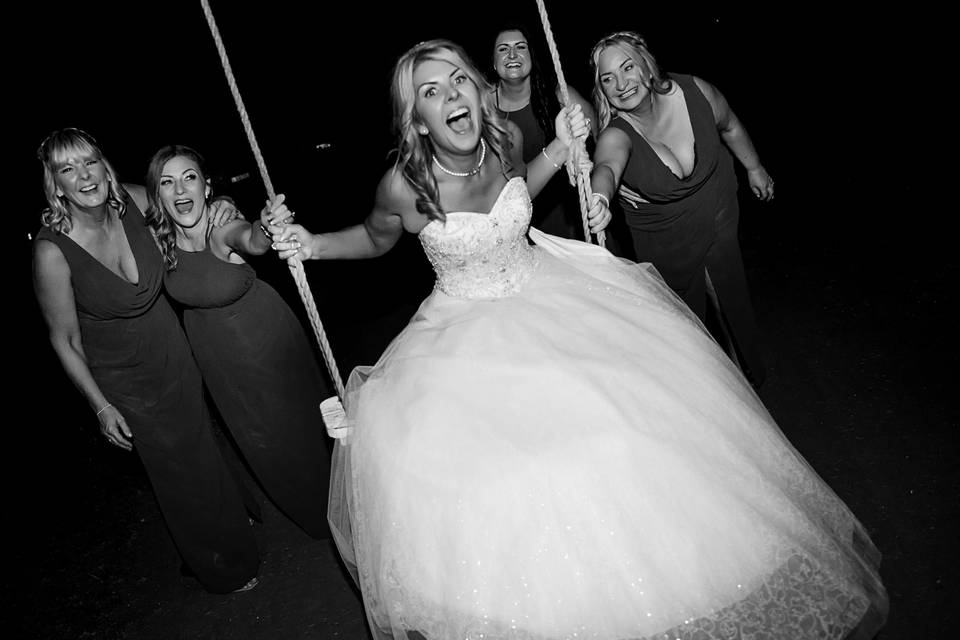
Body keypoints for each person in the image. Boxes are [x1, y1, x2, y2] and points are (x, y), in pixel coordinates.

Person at [269, 39, 886, 639]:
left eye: (459, 80)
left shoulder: (504, 140)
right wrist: (313, 245)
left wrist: (563, 148)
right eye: (431, 91)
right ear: (420, 119)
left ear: (478, 92)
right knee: (516, 472)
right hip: (463, 331)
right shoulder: (405, 186)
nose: (451, 95)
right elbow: (377, 239)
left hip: (549, 289)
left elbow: (525, 185)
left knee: (632, 418)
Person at [32, 128, 260, 593]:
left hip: (171, 347)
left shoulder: (136, 199)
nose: (84, 176)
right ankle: (219, 562)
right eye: (67, 169)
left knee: (199, 441)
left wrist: (225, 205)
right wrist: (101, 406)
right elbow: (64, 339)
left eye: (90, 161)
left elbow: (188, 203)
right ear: (56, 184)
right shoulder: (51, 251)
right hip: (122, 376)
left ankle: (231, 516)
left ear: (104, 164)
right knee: (173, 467)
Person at [144, 144, 333, 541]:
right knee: (261, 442)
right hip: (219, 361)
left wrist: (265, 226)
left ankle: (341, 508)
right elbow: (112, 188)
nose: (180, 189)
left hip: (266, 342)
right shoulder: (159, 240)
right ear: (156, 195)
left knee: (301, 432)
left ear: (207, 186)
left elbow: (251, 240)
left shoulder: (222, 228)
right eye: (167, 182)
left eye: (190, 177)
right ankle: (315, 513)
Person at [588, 31, 773, 386]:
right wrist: (599, 198)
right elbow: (607, 167)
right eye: (607, 78)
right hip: (666, 237)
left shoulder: (695, 91)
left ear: (646, 64)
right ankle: (708, 389)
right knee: (688, 327)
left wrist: (754, 167)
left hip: (714, 205)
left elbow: (730, 125)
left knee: (727, 295)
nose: (621, 84)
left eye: (628, 68)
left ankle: (745, 384)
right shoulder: (618, 133)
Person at [490, 23, 607, 244]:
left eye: (520, 47)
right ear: (494, 62)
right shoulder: (480, 107)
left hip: (566, 215)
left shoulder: (561, 96)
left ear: (531, 56)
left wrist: (604, 189)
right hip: (509, 226)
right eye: (503, 49)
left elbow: (602, 138)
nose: (512, 54)